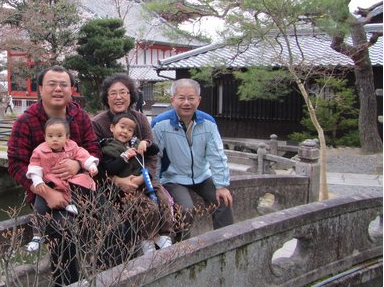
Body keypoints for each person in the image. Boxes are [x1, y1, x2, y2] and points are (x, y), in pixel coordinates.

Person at [7, 65, 101, 287]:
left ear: (71, 90)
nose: (58, 89)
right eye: (52, 84)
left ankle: (108, 279)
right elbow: (15, 164)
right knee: (63, 230)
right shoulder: (26, 121)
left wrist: (78, 164)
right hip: (46, 196)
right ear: (40, 89)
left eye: (63, 84)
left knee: (112, 220)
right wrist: (45, 191)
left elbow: (94, 150)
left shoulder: (80, 117)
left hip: (80, 189)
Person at [151, 78, 234, 238]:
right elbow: (155, 157)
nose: (186, 103)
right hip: (173, 177)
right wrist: (156, 186)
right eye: (181, 98)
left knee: (223, 201)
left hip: (202, 175)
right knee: (185, 210)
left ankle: (226, 241)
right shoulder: (161, 123)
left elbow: (217, 155)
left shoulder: (208, 122)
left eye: (191, 98)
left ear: (199, 100)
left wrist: (221, 184)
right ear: (172, 100)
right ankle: (182, 249)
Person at [100, 113, 174, 253]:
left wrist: (145, 143)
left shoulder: (134, 143)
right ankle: (147, 238)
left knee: (164, 201)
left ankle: (164, 234)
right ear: (112, 127)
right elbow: (110, 168)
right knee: (148, 208)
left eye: (129, 130)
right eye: (122, 127)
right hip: (129, 187)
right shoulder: (108, 147)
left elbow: (154, 150)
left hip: (146, 182)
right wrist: (124, 157)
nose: (125, 132)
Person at [24, 117, 99, 252]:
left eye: (59, 136)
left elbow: (83, 156)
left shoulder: (72, 146)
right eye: (50, 136)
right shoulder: (40, 151)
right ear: (45, 136)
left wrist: (91, 165)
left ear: (67, 137)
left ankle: (72, 203)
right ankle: (36, 235)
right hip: (49, 184)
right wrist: (38, 181)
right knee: (40, 208)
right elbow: (34, 167)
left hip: (69, 183)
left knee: (84, 183)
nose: (55, 139)